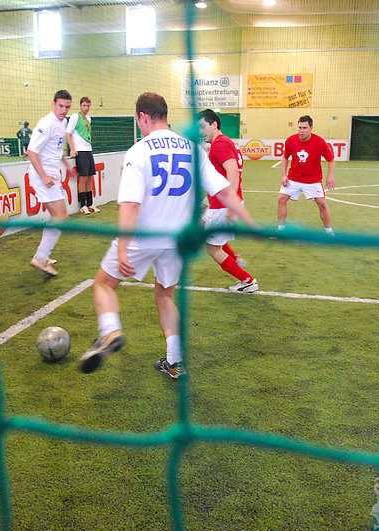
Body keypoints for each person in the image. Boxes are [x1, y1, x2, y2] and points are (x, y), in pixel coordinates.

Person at [78, 92, 256, 378]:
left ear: (143, 117)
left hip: (144, 235)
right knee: (165, 296)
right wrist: (249, 220)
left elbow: (131, 205)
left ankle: (110, 331)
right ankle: (175, 361)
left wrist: (123, 248)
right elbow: (223, 190)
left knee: (104, 284)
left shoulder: (138, 151)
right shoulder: (192, 148)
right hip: (177, 239)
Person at [197, 109, 258, 293]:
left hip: (223, 206)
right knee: (203, 229)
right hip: (220, 203)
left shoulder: (220, 144)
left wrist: (232, 205)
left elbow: (232, 172)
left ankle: (247, 281)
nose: (200, 131)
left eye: (203, 126)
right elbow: (222, 176)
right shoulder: (226, 142)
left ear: (214, 124)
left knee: (212, 248)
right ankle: (235, 258)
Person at [27, 89, 77, 277]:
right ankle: (41, 257)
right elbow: (32, 151)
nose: (64, 110)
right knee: (61, 218)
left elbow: (57, 150)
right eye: (60, 106)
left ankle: (42, 255)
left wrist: (67, 167)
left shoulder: (62, 122)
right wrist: (43, 177)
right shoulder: (46, 123)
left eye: (67, 107)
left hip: (52, 174)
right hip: (43, 175)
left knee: (59, 217)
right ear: (53, 104)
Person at [277, 115, 336, 235]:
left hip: (313, 180)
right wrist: (284, 175)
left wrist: (330, 176)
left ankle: (329, 232)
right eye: (299, 128)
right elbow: (285, 157)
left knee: (322, 204)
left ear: (311, 128)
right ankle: (280, 230)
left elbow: (331, 160)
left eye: (305, 128)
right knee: (281, 199)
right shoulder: (291, 140)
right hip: (294, 179)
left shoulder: (319, 142)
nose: (301, 131)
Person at [66, 96, 100, 214]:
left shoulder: (88, 119)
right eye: (84, 105)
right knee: (83, 178)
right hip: (80, 151)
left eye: (88, 106)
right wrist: (72, 149)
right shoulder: (75, 117)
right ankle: (83, 205)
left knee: (90, 177)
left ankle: (90, 203)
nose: (86, 108)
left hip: (88, 150)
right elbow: (68, 133)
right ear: (80, 105)